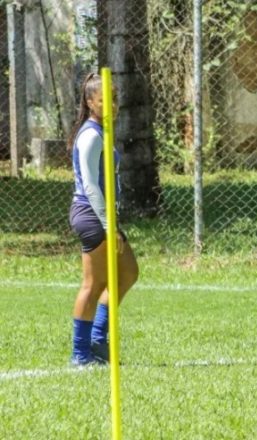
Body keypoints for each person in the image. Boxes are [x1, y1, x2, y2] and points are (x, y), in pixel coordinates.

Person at [68, 72, 139, 366]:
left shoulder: (102, 131)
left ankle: (98, 339)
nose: (111, 105)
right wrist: (109, 226)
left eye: (115, 99)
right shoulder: (91, 135)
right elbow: (90, 186)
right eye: (103, 100)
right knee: (94, 284)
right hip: (91, 214)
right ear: (90, 102)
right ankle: (80, 354)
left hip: (104, 215)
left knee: (127, 273)